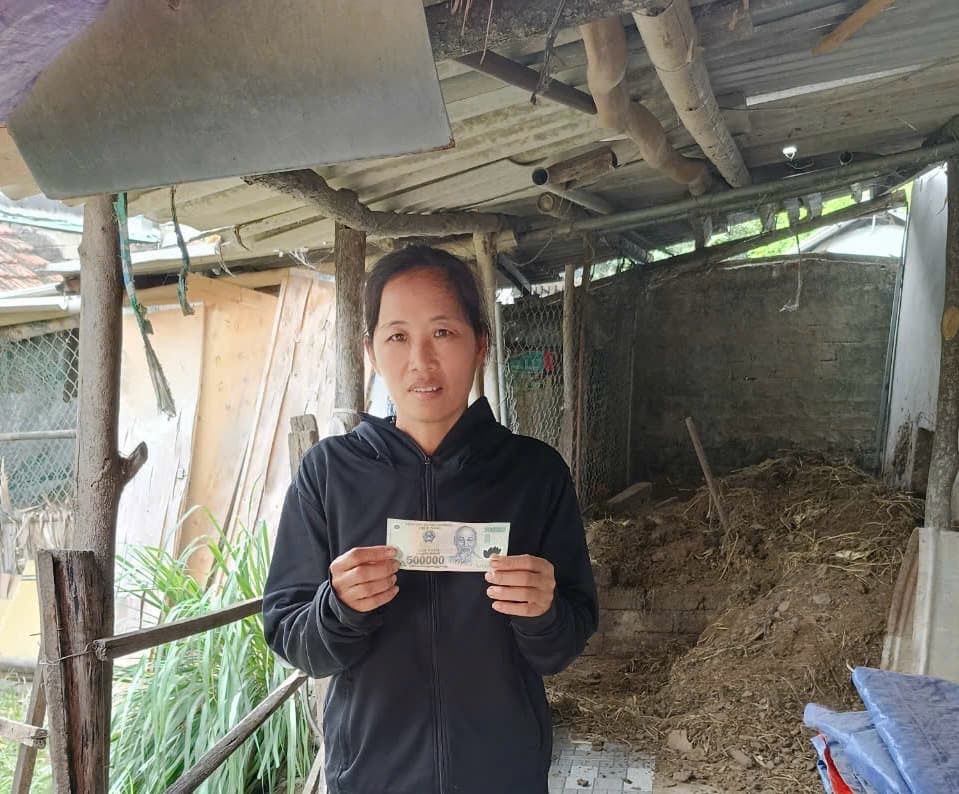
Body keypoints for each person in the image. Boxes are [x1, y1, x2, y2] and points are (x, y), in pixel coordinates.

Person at [262, 245, 598, 794]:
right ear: (370, 351)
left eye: (442, 332)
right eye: (397, 336)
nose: (420, 361)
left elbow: (564, 644)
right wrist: (338, 608)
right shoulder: (328, 474)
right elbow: (292, 638)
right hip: (373, 776)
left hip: (503, 774)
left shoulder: (534, 474)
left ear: (480, 344)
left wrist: (544, 611)